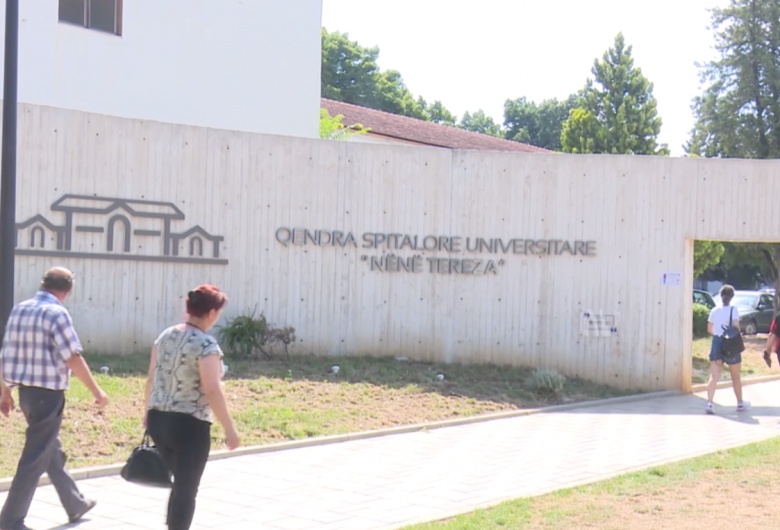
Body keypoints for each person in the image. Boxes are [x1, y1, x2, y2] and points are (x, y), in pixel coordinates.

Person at [0, 267, 108, 530]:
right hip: (47, 395)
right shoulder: (57, 313)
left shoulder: (20, 309)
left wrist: (5, 391)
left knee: (50, 449)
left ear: (43, 284)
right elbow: (73, 357)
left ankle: (75, 503)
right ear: (67, 291)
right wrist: (97, 391)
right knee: (34, 457)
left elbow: (7, 353)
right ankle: (11, 520)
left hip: (25, 394)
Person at [143, 284, 240, 530]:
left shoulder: (165, 336)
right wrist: (229, 428)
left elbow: (151, 377)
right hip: (189, 425)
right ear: (211, 313)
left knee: (179, 484)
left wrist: (146, 412)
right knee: (186, 490)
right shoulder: (206, 345)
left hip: (158, 418)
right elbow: (212, 389)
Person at [705, 284, 750, 414]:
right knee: (735, 376)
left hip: (717, 342)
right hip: (730, 344)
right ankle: (740, 404)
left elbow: (709, 328)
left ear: (720, 296)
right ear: (732, 297)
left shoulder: (714, 310)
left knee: (714, 376)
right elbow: (736, 326)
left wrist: (718, 334)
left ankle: (710, 403)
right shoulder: (733, 310)